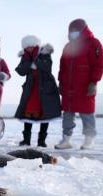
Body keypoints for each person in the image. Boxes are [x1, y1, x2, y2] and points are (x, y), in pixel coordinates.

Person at [55, 19, 103, 149]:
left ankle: (89, 140)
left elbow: (98, 65)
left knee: (87, 113)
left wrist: (94, 82)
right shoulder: (68, 46)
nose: (73, 33)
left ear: (82, 30)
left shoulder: (94, 44)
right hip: (68, 88)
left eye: (75, 31)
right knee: (67, 114)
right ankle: (66, 139)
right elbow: (63, 67)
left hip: (85, 87)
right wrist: (61, 82)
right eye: (71, 31)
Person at [14, 35, 61, 147]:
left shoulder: (45, 53)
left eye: (32, 46)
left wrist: (35, 60)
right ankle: (26, 140)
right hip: (31, 89)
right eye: (27, 46)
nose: (30, 48)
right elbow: (20, 71)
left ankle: (41, 141)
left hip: (46, 88)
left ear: (36, 45)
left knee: (45, 112)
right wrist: (30, 64)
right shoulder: (25, 56)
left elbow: (47, 67)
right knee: (27, 113)